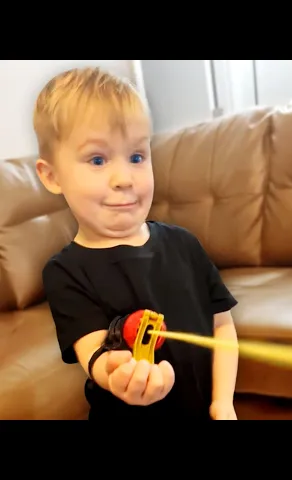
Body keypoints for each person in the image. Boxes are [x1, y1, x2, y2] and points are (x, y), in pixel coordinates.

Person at [34, 67, 239, 420]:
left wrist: (222, 403)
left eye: (136, 157)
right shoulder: (64, 273)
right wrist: (116, 376)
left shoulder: (185, 244)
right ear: (52, 176)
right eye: (98, 160)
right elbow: (94, 352)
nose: (124, 178)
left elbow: (222, 326)